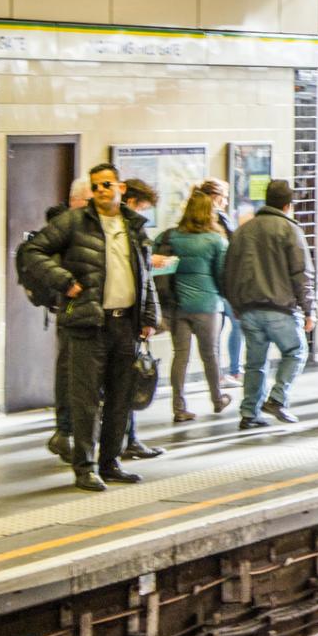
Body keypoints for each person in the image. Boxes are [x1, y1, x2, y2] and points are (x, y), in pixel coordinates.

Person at [18, 163, 161, 491]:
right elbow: (32, 251)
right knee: (84, 400)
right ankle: (85, 467)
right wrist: (64, 281)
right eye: (96, 186)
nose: (101, 191)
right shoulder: (73, 222)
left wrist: (149, 316)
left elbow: (143, 274)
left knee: (120, 396)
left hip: (125, 323)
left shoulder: (133, 226)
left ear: (120, 188)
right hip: (87, 324)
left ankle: (111, 462)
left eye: (107, 185)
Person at [221, 180, 315, 430]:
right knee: (296, 352)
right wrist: (309, 309)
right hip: (279, 307)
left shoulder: (243, 230)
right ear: (288, 205)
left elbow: (228, 270)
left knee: (255, 363)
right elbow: (301, 273)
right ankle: (277, 399)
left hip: (248, 309)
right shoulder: (289, 230)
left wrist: (236, 306)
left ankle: (249, 413)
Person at [163, 191, 232, 422]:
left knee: (180, 356)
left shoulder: (172, 237)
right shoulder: (216, 240)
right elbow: (222, 275)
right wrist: (226, 298)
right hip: (207, 305)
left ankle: (178, 407)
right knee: (210, 355)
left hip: (179, 305)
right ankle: (217, 399)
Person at [118, 180, 173, 460]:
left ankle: (127, 439)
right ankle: (124, 441)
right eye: (142, 207)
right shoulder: (124, 230)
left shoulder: (134, 231)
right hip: (120, 319)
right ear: (131, 202)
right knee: (123, 381)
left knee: (125, 381)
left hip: (131, 316)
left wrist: (149, 317)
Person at [42, 177, 90, 463]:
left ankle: (68, 433)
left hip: (87, 309)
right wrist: (66, 282)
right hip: (73, 309)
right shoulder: (64, 228)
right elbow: (33, 259)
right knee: (72, 372)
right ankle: (66, 431)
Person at [198, 179, 244, 392]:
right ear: (215, 197)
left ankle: (226, 371)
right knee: (233, 324)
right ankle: (233, 370)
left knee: (222, 327)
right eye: (224, 197)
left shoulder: (199, 218)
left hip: (213, 280)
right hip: (222, 280)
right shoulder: (217, 220)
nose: (225, 202)